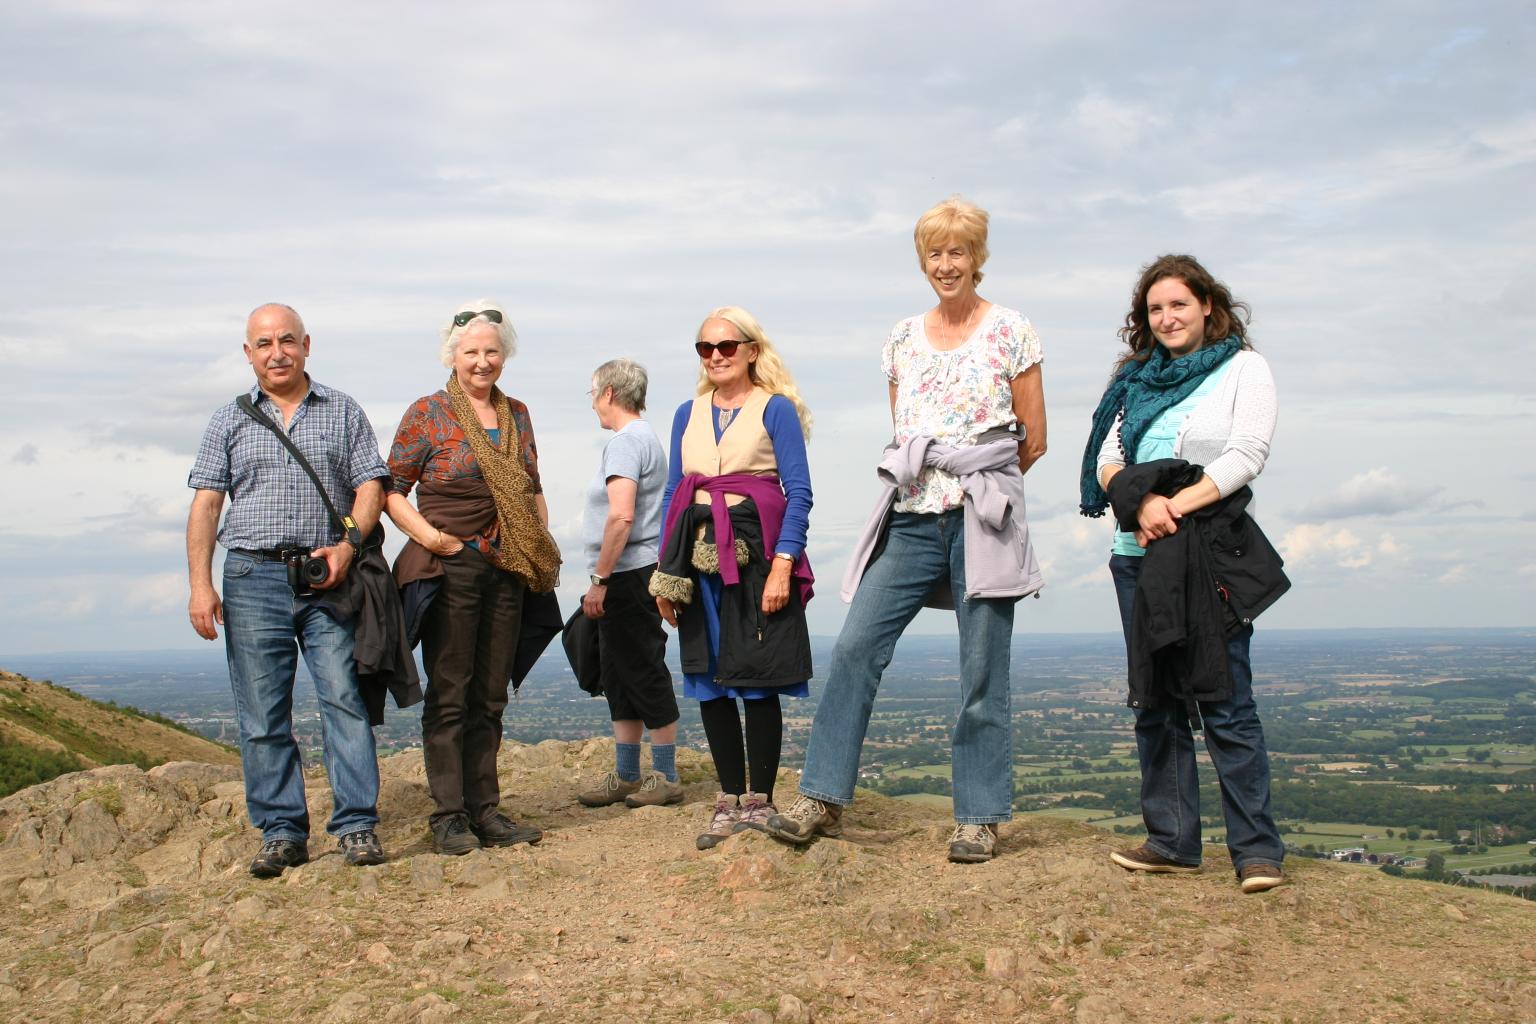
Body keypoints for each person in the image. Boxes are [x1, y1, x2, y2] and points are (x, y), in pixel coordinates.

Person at [765, 197, 1046, 864]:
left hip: (982, 514)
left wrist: (982, 481)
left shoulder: (1012, 330)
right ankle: (822, 797)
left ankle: (978, 816)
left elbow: (1033, 438)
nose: (946, 264)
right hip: (914, 517)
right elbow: (905, 432)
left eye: (958, 252)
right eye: (935, 254)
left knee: (982, 668)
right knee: (857, 646)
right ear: (923, 262)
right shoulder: (900, 338)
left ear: (978, 258)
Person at [1079, 254, 1288, 894]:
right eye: (1155, 309)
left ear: (1206, 305)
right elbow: (1107, 462)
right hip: (1136, 555)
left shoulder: (1242, 368)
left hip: (1205, 551)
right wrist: (1140, 504)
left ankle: (1256, 852)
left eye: (1178, 304)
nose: (1167, 318)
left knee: (1223, 696)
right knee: (1156, 698)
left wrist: (1173, 504)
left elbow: (1246, 454)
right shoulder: (1135, 380)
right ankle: (1171, 841)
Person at [187, 303, 390, 878]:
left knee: (343, 700)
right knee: (261, 715)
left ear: (306, 344)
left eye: (286, 341)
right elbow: (206, 504)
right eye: (263, 343)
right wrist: (201, 585)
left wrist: (348, 546)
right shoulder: (227, 420)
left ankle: (356, 826)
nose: (277, 352)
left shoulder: (342, 409)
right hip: (251, 578)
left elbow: (370, 485)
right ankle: (281, 832)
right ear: (248, 353)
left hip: (328, 575)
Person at [384, 301, 561, 855]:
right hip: (450, 563)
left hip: (507, 565)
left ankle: (486, 810)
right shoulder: (428, 412)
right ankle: (448, 815)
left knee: (490, 694)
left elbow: (530, 485)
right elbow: (390, 488)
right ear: (453, 357)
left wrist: (535, 540)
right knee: (451, 691)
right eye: (471, 352)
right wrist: (433, 539)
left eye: (491, 352)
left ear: (503, 357)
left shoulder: (519, 414)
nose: (482, 362)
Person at [649, 307, 814, 850]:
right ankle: (727, 802)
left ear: (750, 350)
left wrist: (784, 565)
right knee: (709, 679)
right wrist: (664, 577)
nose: (716, 355)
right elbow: (676, 495)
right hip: (696, 555)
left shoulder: (776, 410)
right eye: (705, 348)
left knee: (756, 674)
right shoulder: (685, 413)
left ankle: (760, 802)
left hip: (757, 555)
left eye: (726, 345)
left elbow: (798, 493)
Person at [573, 359, 683, 809]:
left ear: (609, 394)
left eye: (593, 395)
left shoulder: (624, 443)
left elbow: (621, 515)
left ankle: (666, 775)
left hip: (629, 571)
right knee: (618, 673)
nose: (593, 404)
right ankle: (627, 774)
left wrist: (599, 579)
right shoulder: (645, 439)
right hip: (633, 569)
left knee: (641, 668)